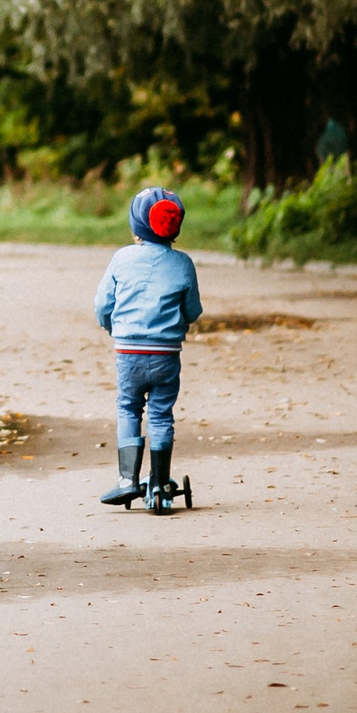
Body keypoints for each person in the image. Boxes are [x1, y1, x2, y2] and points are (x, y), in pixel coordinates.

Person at [93, 185, 202, 511]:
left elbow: (102, 305)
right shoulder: (183, 264)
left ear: (136, 227)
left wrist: (112, 326)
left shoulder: (121, 258)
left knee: (129, 407)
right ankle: (159, 484)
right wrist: (178, 323)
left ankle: (127, 479)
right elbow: (193, 310)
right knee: (160, 413)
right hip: (167, 355)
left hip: (128, 353)